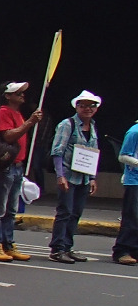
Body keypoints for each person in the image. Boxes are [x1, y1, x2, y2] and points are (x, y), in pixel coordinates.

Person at [0, 82, 43, 261]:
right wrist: (30, 122)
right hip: (5, 166)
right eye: (18, 92)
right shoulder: (3, 112)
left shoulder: (17, 113)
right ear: (7, 95)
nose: (22, 95)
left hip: (17, 165)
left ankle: (8, 244)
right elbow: (8, 136)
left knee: (11, 210)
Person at [48, 91, 102, 263]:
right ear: (77, 107)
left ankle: (67, 246)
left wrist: (92, 177)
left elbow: (92, 153)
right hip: (68, 175)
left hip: (84, 177)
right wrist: (60, 175)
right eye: (83, 105)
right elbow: (57, 151)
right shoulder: (67, 124)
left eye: (91, 106)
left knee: (76, 213)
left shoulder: (92, 126)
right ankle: (57, 249)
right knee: (65, 211)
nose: (88, 109)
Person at [113, 114, 138, 266]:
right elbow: (123, 156)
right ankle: (122, 250)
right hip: (134, 180)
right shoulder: (135, 131)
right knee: (132, 217)